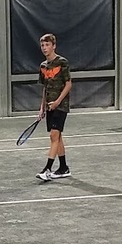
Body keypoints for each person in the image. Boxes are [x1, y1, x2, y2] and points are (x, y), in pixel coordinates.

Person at [35, 33, 72, 181]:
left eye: (47, 45)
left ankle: (47, 169)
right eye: (43, 45)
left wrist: (57, 102)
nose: (45, 48)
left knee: (53, 136)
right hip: (49, 106)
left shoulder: (63, 62)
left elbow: (69, 84)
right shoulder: (43, 66)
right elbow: (45, 88)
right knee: (58, 137)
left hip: (61, 105)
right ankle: (63, 168)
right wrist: (42, 108)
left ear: (54, 46)